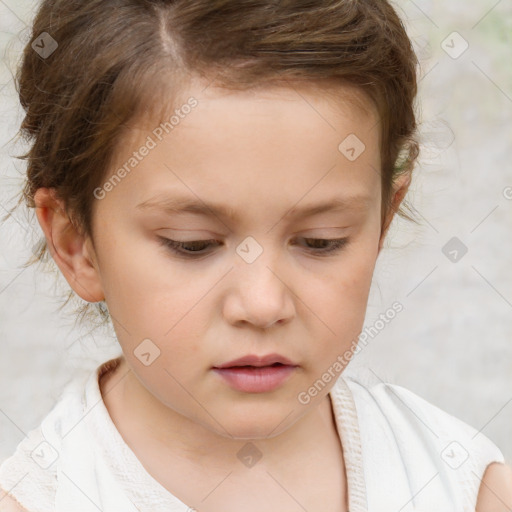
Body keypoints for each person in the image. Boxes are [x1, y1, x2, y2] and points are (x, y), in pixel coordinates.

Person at [0, 0, 511, 511]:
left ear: (383, 220)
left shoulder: (463, 486)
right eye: (192, 244)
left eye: (322, 241)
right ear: (76, 246)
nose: (264, 304)